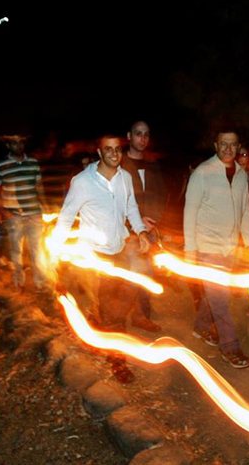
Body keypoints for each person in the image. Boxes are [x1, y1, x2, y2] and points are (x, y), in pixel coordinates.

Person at [52, 134, 150, 384]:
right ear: (99, 152)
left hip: (120, 250)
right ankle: (118, 362)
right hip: (96, 255)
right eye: (109, 149)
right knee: (114, 312)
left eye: (118, 149)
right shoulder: (83, 181)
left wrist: (141, 231)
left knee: (123, 300)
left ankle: (100, 321)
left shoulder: (125, 178)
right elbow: (66, 216)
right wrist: (55, 250)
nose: (115, 154)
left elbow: (131, 208)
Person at [183, 128, 249, 369]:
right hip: (208, 247)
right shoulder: (203, 173)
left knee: (214, 293)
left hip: (230, 249)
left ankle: (201, 327)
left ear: (238, 147)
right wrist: (190, 250)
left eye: (233, 144)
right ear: (215, 146)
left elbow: (245, 212)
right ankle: (230, 348)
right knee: (221, 299)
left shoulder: (241, 176)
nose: (228, 148)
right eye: (223, 144)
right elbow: (190, 212)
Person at [121, 121, 168, 332]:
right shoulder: (119, 165)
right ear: (129, 136)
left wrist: (154, 221)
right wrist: (138, 220)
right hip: (126, 231)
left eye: (146, 134)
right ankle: (127, 315)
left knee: (146, 273)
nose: (142, 138)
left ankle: (141, 314)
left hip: (149, 230)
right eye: (138, 134)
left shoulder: (153, 166)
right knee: (131, 274)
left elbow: (161, 195)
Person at [0, 134, 49, 291]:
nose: (19, 146)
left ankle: (40, 282)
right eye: (15, 143)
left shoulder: (33, 163)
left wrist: (45, 207)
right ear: (8, 146)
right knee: (16, 250)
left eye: (21, 143)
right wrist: (1, 210)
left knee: (37, 249)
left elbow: (38, 187)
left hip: (34, 212)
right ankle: (19, 282)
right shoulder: (1, 165)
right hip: (13, 214)